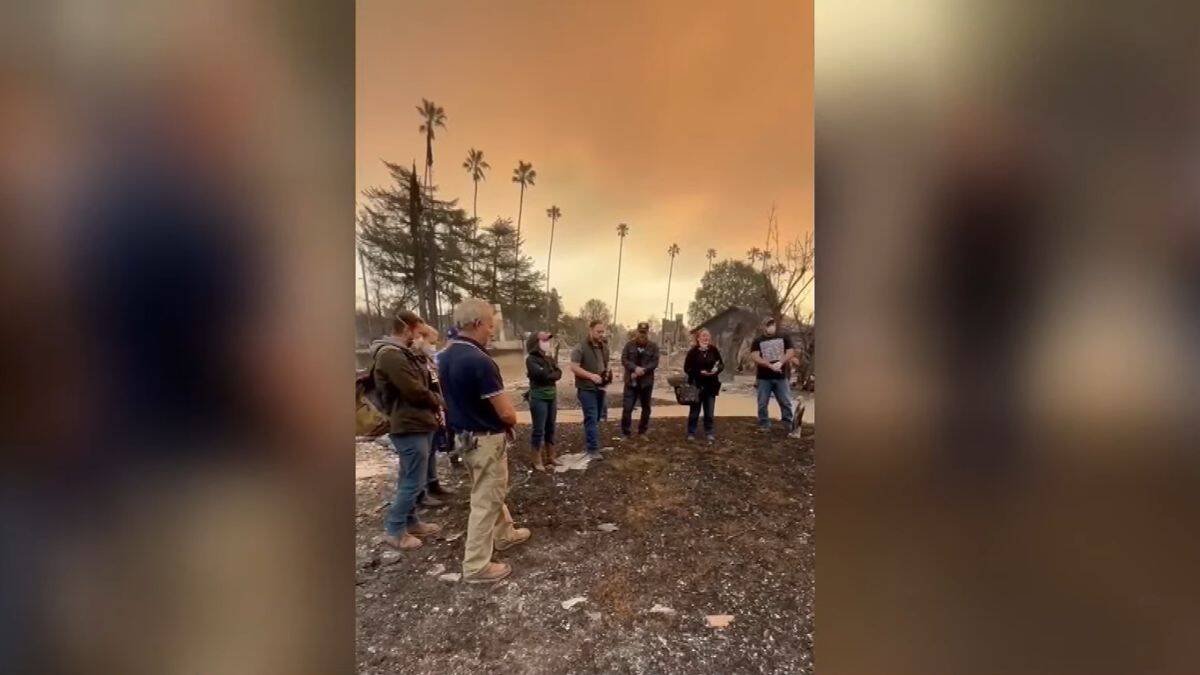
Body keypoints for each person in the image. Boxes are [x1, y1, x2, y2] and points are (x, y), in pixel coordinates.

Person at [438, 298, 531, 583]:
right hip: (486, 439)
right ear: (477, 323)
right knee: (485, 500)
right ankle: (476, 566)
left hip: (465, 439)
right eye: (491, 325)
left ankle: (504, 534)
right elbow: (506, 412)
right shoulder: (480, 361)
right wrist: (511, 422)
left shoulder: (447, 355)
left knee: (487, 490)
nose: (493, 331)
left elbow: (446, 399)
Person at [370, 311, 444, 551]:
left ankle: (411, 521)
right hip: (407, 424)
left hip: (418, 421)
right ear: (407, 329)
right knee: (412, 480)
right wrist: (439, 401)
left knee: (412, 477)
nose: (422, 338)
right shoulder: (390, 355)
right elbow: (414, 390)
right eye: (420, 333)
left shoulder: (404, 353)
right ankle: (394, 530)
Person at [410, 321, 455, 504]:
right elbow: (418, 389)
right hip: (424, 411)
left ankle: (433, 482)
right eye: (431, 341)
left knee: (432, 449)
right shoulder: (415, 362)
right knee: (424, 453)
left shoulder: (428, 360)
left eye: (435, 342)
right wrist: (437, 400)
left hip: (435, 410)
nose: (433, 346)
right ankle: (421, 492)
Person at [569, 320, 612, 460]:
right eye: (598, 331)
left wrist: (607, 374)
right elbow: (574, 367)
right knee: (591, 417)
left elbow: (606, 364)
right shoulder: (580, 347)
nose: (601, 334)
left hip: (600, 387)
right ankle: (592, 449)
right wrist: (591, 376)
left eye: (602, 332)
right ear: (590, 330)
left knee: (598, 416)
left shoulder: (604, 347)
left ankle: (593, 443)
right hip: (586, 388)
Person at [524, 330, 562, 471]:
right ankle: (536, 459)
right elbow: (541, 374)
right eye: (543, 341)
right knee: (538, 429)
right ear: (535, 342)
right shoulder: (531, 359)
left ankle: (551, 456)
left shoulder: (549, 358)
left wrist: (550, 374)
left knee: (550, 427)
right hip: (539, 397)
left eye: (547, 341)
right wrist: (551, 373)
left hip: (552, 396)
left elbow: (559, 373)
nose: (547, 343)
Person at [751, 317, 795, 432]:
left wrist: (781, 362)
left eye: (772, 324)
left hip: (781, 377)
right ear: (764, 327)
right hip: (764, 377)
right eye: (768, 325)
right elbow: (755, 356)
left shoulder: (784, 337)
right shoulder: (758, 340)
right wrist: (768, 365)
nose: (771, 326)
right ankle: (764, 424)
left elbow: (790, 352)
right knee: (762, 403)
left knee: (786, 402)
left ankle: (787, 424)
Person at [620, 321, 661, 438]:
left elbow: (655, 362)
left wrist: (643, 370)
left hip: (646, 383)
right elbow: (624, 359)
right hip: (630, 382)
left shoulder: (653, 347)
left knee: (646, 408)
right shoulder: (629, 345)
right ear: (637, 332)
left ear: (648, 333)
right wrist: (634, 368)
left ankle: (642, 431)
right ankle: (625, 433)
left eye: (645, 332)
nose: (642, 335)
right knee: (627, 408)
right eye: (640, 332)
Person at [683, 328, 723, 442]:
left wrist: (716, 370)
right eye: (703, 336)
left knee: (709, 412)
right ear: (698, 338)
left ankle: (709, 432)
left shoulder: (713, 350)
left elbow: (721, 364)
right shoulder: (693, 352)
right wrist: (699, 372)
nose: (706, 338)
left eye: (708, 336)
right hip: (697, 385)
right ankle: (691, 432)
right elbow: (687, 368)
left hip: (711, 385)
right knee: (694, 411)